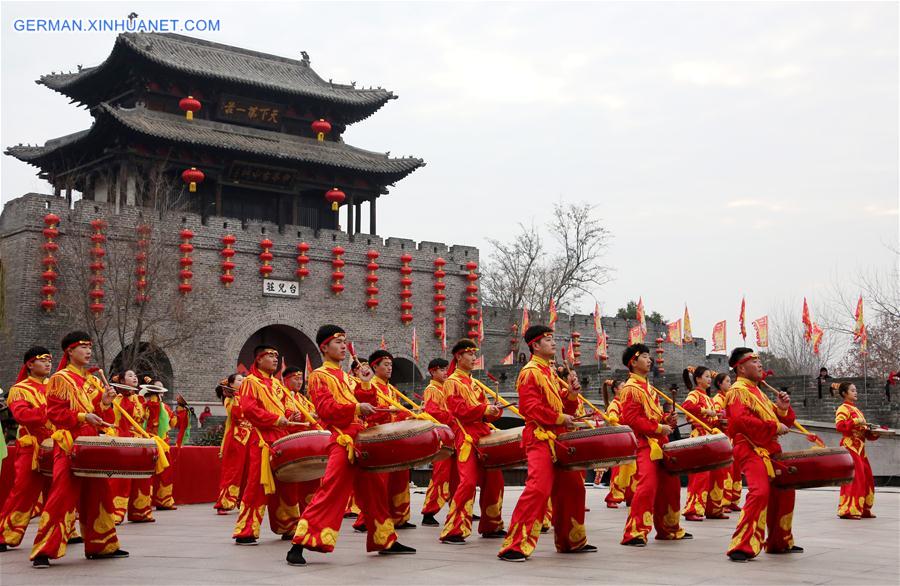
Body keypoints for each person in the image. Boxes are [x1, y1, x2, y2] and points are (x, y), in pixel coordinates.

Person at [286, 324, 415, 566]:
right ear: (324, 347)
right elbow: (326, 410)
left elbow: (367, 403)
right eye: (338, 342)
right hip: (342, 440)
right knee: (331, 490)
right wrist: (356, 407)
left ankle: (385, 539)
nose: (344, 346)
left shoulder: (347, 377)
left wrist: (366, 385)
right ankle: (299, 543)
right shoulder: (318, 376)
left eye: (345, 341)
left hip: (360, 438)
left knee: (375, 490)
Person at [29, 331, 127, 568]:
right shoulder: (61, 379)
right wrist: (83, 415)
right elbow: (54, 413)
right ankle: (44, 550)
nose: (88, 351)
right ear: (69, 352)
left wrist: (104, 401)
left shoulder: (92, 381)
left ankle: (101, 545)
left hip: (91, 444)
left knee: (99, 493)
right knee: (62, 495)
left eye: (89, 347)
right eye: (82, 347)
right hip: (69, 444)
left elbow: (103, 417)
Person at [498, 325, 596, 562]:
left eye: (553, 339)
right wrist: (560, 417)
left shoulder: (550, 372)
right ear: (535, 345)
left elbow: (562, 407)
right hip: (540, 438)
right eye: (548, 340)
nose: (553, 343)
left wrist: (571, 396)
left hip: (559, 438)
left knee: (574, 487)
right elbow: (529, 408)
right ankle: (515, 545)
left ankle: (571, 540)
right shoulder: (530, 372)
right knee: (538, 488)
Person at [725, 347, 801, 562]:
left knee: (784, 491)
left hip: (770, 448)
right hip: (750, 447)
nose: (760, 365)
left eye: (760, 361)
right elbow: (741, 422)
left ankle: (779, 541)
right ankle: (741, 545)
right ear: (740, 367)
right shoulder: (738, 391)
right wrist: (773, 426)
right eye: (754, 361)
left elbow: (782, 422)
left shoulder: (758, 393)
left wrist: (783, 409)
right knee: (759, 492)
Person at [619, 343, 691, 547]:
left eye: (649, 356)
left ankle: (669, 528)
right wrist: (659, 428)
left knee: (671, 486)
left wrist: (667, 420)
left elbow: (654, 417)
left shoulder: (648, 388)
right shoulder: (631, 388)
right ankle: (634, 532)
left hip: (660, 443)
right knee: (647, 486)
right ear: (633, 362)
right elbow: (631, 419)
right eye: (644, 356)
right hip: (645, 444)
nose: (649, 360)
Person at [232, 345, 301, 544]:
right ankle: (246, 530)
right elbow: (250, 410)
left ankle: (289, 525)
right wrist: (276, 419)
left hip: (280, 437)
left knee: (287, 483)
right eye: (270, 356)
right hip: (262, 439)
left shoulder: (278, 385)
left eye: (276, 356)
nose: (274, 359)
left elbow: (284, 409)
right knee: (257, 485)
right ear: (258, 359)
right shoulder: (250, 383)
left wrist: (290, 415)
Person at [439, 338, 506, 544]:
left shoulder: (474, 383)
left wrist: (493, 412)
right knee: (467, 482)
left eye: (474, 354)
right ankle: (454, 530)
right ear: (459, 357)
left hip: (483, 434)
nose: (474, 358)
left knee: (495, 480)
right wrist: (483, 410)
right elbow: (458, 410)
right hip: (465, 435)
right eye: (470, 354)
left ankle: (491, 524)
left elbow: (484, 412)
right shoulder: (452, 382)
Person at [0, 347, 56, 552]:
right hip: (30, 447)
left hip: (55, 446)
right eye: (42, 360)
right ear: (30, 364)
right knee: (22, 491)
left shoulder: (55, 386)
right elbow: (23, 416)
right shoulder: (20, 389)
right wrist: (50, 409)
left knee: (58, 491)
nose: (48, 364)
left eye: (50, 360)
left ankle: (65, 532)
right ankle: (6, 535)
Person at [366, 350, 416, 530]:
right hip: (379, 438)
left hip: (394, 438)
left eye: (391, 365)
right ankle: (370, 519)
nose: (389, 368)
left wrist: (410, 416)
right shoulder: (370, 387)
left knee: (400, 478)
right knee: (382, 481)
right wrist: (388, 413)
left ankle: (399, 517)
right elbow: (369, 416)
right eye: (385, 365)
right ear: (374, 367)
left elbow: (399, 411)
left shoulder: (391, 389)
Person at [680, 367, 729, 522]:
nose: (709, 379)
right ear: (698, 379)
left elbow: (711, 418)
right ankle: (692, 509)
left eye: (710, 377)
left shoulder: (708, 397)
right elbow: (687, 408)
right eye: (706, 377)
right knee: (700, 476)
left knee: (717, 473)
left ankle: (714, 508)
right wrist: (706, 412)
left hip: (710, 436)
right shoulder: (694, 394)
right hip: (699, 436)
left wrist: (719, 420)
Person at [109, 369, 154, 524]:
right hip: (124, 440)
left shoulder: (139, 399)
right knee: (123, 478)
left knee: (142, 476)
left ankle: (140, 511)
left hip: (139, 441)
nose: (134, 377)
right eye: (129, 376)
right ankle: (117, 511)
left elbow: (146, 419)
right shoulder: (118, 398)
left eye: (135, 375)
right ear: (121, 381)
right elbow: (121, 420)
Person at [420, 358, 457, 526]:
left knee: (457, 476)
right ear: (432, 372)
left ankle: (459, 507)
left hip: (454, 435)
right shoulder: (432, 389)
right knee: (441, 475)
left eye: (445, 369)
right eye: (441, 370)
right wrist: (455, 416)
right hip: (443, 438)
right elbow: (433, 412)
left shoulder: (447, 388)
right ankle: (429, 512)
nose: (445, 372)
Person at [834, 382, 878, 519]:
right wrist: (854, 422)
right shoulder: (842, 409)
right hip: (850, 447)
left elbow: (863, 431)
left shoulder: (858, 411)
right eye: (852, 390)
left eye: (856, 390)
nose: (855, 392)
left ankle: (864, 508)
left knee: (867, 477)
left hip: (861, 448)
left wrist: (874, 433)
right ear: (844, 393)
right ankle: (849, 509)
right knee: (856, 477)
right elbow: (840, 426)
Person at [214, 374, 250, 514]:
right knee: (233, 471)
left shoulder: (247, 396)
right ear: (231, 384)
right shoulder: (229, 399)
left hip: (249, 437)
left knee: (248, 471)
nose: (243, 382)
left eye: (243, 380)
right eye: (239, 380)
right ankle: (224, 503)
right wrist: (235, 397)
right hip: (236, 438)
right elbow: (236, 414)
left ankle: (242, 500)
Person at [144, 383, 179, 511]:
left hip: (163, 443)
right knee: (152, 473)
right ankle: (149, 502)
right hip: (148, 441)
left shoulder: (164, 408)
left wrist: (179, 414)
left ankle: (163, 500)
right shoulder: (145, 406)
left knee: (164, 473)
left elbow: (173, 423)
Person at [603, 379, 636, 508]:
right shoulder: (614, 405)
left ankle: (630, 496)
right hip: (620, 439)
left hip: (629, 438)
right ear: (616, 389)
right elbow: (613, 421)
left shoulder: (625, 403)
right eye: (623, 386)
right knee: (618, 469)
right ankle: (613, 497)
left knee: (631, 469)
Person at [712, 373, 742, 511]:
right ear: (719, 383)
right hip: (723, 437)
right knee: (726, 471)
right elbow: (717, 419)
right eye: (727, 381)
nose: (730, 384)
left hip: (734, 436)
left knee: (736, 469)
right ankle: (723, 501)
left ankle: (733, 499)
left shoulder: (731, 398)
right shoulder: (717, 399)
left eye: (731, 381)